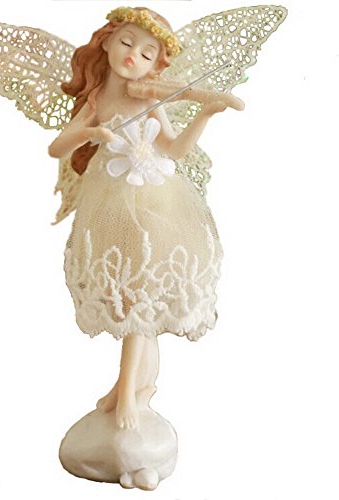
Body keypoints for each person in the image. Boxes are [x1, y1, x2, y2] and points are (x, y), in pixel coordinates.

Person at [48, 6, 244, 430]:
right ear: (106, 42)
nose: (133, 56)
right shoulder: (98, 100)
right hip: (109, 204)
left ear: (156, 63)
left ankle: (127, 395)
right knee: (123, 295)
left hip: (154, 202)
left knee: (138, 298)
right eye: (126, 43)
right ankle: (132, 388)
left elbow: (174, 149)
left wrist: (205, 112)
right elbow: (57, 148)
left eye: (146, 53)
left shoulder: (151, 96)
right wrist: (90, 132)